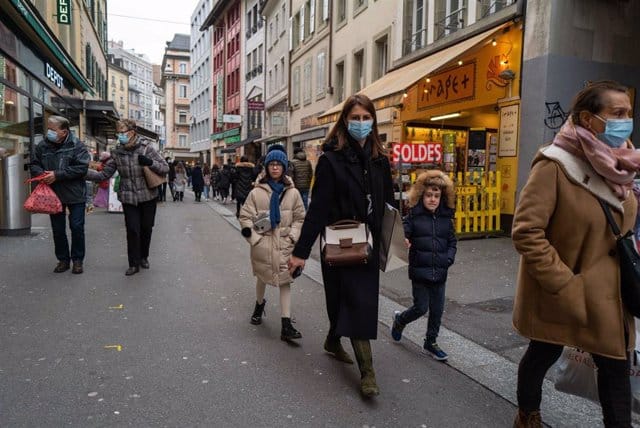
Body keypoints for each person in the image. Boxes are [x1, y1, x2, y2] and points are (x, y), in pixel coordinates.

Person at [511, 81, 637, 428]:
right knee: (543, 353)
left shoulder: (623, 165)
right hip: (567, 292)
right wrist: (567, 285)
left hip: (611, 298)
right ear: (588, 119)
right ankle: (528, 415)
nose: (626, 121)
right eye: (617, 114)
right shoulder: (554, 165)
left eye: (629, 113)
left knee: (616, 373)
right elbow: (526, 232)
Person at [288, 94, 394, 397]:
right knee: (342, 300)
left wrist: (398, 234)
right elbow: (318, 210)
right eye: (355, 118)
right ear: (344, 122)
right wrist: (300, 252)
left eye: (365, 118)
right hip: (339, 242)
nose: (361, 124)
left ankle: (347, 352)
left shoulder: (379, 159)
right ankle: (366, 369)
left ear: (373, 121)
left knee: (358, 302)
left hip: (369, 243)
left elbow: (388, 203)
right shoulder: (331, 160)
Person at [239, 149, 306, 342]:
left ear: (284, 167)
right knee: (262, 277)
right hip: (263, 244)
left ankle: (286, 324)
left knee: (286, 280)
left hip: (285, 244)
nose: (275, 167)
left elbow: (300, 218)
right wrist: (255, 240)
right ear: (266, 167)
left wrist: (293, 236)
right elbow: (244, 218)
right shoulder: (256, 192)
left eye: (279, 164)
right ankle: (259, 305)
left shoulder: (293, 193)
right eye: (271, 164)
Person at [86, 119, 168, 276]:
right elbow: (105, 174)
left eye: (122, 132)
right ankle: (133, 263)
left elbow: (165, 168)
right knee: (132, 230)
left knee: (146, 228)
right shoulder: (117, 152)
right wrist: (83, 173)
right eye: (118, 133)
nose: (119, 136)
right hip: (128, 197)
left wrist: (150, 162)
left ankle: (144, 256)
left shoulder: (147, 149)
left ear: (132, 133)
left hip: (148, 196)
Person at [390, 170, 457, 361]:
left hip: (440, 272)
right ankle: (400, 320)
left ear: (443, 197)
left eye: (437, 196)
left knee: (437, 310)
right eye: (429, 195)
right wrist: (404, 240)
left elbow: (452, 242)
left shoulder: (446, 219)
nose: (433, 199)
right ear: (421, 195)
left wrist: (448, 259)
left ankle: (431, 342)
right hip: (420, 272)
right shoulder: (413, 217)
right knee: (421, 308)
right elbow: (404, 234)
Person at [31, 115, 90, 274]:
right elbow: (34, 164)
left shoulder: (77, 145)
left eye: (52, 129)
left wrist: (57, 175)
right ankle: (63, 260)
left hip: (75, 194)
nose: (48, 132)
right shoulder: (42, 146)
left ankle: (77, 260)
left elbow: (81, 168)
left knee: (76, 227)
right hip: (53, 194)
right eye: (48, 129)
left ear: (64, 132)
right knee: (58, 229)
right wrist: (41, 174)